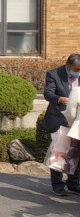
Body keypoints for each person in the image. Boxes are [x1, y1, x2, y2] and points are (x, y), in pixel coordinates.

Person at [42, 54, 80, 196]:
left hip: (77, 121)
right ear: (68, 65)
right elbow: (48, 93)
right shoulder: (54, 74)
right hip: (59, 117)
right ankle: (57, 185)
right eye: (76, 69)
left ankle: (73, 183)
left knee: (76, 152)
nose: (78, 72)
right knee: (59, 152)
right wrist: (60, 99)